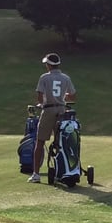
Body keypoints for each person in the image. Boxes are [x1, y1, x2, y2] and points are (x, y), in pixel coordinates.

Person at [28, 52, 76, 183]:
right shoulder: (66, 78)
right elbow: (72, 96)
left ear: (49, 65)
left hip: (48, 110)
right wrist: (63, 97)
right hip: (62, 110)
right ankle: (64, 170)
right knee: (61, 142)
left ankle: (36, 174)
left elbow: (39, 97)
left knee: (40, 142)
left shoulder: (44, 78)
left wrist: (42, 103)